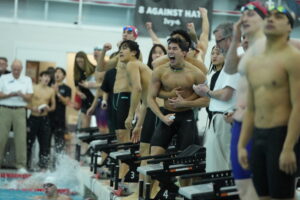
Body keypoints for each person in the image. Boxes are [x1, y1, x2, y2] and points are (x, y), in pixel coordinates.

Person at [238, 6, 300, 200]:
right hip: (258, 136)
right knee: (262, 196)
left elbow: (299, 105)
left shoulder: (293, 58)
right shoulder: (253, 63)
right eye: (269, 16)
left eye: (279, 16)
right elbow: (250, 110)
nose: (271, 19)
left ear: (290, 27)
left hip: (281, 136)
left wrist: (289, 147)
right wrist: (242, 145)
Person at [223, 2, 267, 199]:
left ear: (265, 20)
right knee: (241, 181)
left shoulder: (276, 45)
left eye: (250, 14)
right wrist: (235, 38)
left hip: (263, 123)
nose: (244, 19)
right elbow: (230, 68)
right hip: (240, 123)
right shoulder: (247, 53)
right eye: (242, 15)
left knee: (265, 183)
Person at [193, 22, 240, 172]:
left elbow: (226, 95)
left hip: (225, 119)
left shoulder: (236, 60)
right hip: (218, 118)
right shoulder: (227, 65)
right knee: (214, 165)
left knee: (222, 167)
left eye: (218, 41)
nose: (217, 46)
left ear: (229, 39)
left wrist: (206, 92)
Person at [148, 37, 206, 156]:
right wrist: (162, 117)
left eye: (174, 48)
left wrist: (185, 103)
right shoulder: (160, 71)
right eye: (169, 48)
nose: (170, 51)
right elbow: (150, 97)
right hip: (167, 114)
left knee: (183, 158)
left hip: (186, 116)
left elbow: (207, 100)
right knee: (155, 154)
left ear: (184, 53)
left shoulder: (196, 73)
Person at [0, 59, 33, 171]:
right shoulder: (4, 78)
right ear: (11, 68)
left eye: (18, 70)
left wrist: (22, 95)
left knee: (21, 138)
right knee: (1, 137)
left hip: (20, 110)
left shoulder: (27, 80)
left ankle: (21, 165)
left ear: (21, 69)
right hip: (5, 109)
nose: (16, 72)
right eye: (14, 69)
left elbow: (29, 97)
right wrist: (10, 94)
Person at [27, 71, 55, 170]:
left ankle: (43, 166)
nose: (47, 79)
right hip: (33, 117)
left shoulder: (51, 90)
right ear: (40, 77)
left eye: (48, 77)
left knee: (45, 144)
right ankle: (27, 165)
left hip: (44, 118)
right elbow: (26, 103)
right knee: (29, 142)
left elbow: (53, 107)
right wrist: (32, 108)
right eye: (45, 76)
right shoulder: (33, 87)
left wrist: (48, 108)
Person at [50, 67, 72, 153]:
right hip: (48, 117)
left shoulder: (67, 88)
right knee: (46, 141)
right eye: (55, 72)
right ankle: (44, 164)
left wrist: (57, 93)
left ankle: (58, 164)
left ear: (64, 76)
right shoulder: (49, 85)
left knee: (59, 143)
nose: (57, 74)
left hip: (60, 119)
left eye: (59, 72)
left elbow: (66, 102)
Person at [73, 51, 96, 128]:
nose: (79, 64)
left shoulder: (93, 69)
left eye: (81, 62)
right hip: (85, 99)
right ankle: (85, 139)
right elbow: (76, 88)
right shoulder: (77, 72)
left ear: (85, 60)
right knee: (85, 125)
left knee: (100, 125)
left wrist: (89, 85)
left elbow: (101, 84)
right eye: (78, 62)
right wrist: (79, 93)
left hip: (95, 98)